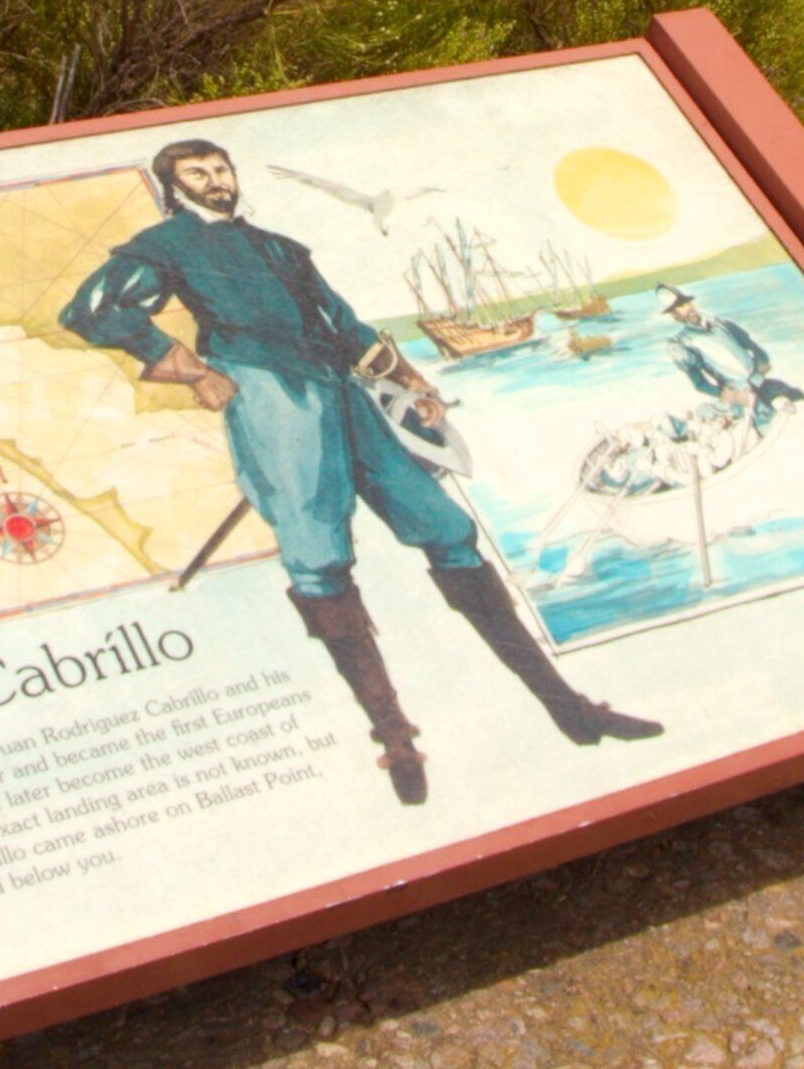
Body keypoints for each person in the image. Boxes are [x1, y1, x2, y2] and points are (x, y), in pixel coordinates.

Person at [60, 138, 659, 804]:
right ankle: (395, 738)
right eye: (197, 174)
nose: (215, 181)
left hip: (344, 393)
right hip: (268, 394)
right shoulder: (166, 244)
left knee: (445, 527)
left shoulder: (281, 248)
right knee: (319, 558)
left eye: (222, 168)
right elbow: (91, 310)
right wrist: (193, 371)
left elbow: (344, 325)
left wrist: (410, 378)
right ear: (174, 187)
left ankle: (568, 709)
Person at [657, 284, 804, 433]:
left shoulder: (721, 324)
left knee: (798, 405)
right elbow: (700, 384)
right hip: (741, 395)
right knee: (769, 427)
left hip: (762, 383)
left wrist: (761, 366)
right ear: (675, 316)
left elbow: (752, 346)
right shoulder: (681, 344)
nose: (688, 308)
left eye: (687, 303)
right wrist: (730, 395)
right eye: (681, 307)